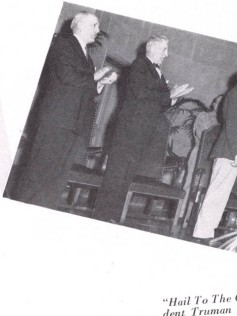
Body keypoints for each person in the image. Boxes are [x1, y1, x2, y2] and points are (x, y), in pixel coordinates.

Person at [12, 11, 115, 209]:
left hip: (71, 124)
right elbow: (67, 77)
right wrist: (96, 76)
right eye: (94, 25)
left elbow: (85, 87)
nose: (98, 30)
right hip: (56, 121)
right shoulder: (63, 44)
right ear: (80, 25)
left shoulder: (87, 55)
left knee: (56, 178)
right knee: (39, 174)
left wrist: (101, 82)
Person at [94, 35, 192, 223]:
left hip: (140, 133)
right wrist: (168, 94)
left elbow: (158, 103)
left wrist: (174, 97)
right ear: (153, 48)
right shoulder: (140, 65)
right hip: (128, 132)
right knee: (115, 176)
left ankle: (112, 218)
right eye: (164, 49)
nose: (167, 54)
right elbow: (140, 93)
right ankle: (102, 217)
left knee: (125, 178)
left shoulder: (157, 72)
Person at [192, 66, 237, 241]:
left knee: (220, 193)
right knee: (217, 192)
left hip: (231, 150)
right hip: (230, 151)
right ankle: (202, 232)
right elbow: (232, 124)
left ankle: (207, 231)